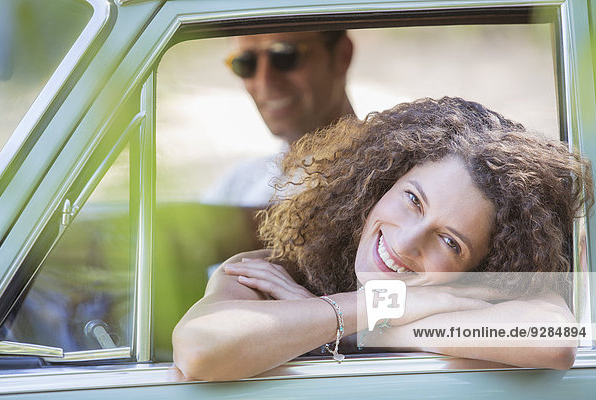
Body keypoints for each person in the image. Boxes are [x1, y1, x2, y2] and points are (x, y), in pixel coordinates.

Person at [173, 97, 594, 381]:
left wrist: (362, 331)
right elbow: (200, 349)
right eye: (413, 200)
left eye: (451, 243)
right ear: (379, 187)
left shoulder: (480, 296)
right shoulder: (274, 270)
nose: (408, 242)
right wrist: (373, 306)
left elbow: (551, 338)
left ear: (484, 266)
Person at [202, 31, 355, 207]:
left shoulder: (377, 176)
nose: (264, 81)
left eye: (284, 56)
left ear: (342, 55)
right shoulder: (240, 181)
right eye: (245, 63)